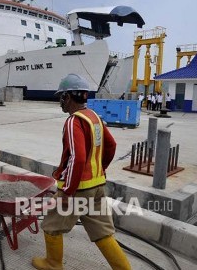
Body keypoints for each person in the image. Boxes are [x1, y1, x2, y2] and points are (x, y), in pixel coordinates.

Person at [32, 74, 131, 270]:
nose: (60, 102)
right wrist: (99, 169)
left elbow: (77, 158)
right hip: (97, 186)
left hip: (78, 190)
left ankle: (53, 263)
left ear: (68, 97)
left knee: (52, 225)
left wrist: (66, 192)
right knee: (103, 231)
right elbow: (111, 145)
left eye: (61, 97)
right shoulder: (95, 118)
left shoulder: (73, 121)